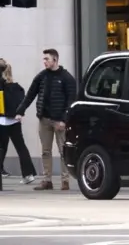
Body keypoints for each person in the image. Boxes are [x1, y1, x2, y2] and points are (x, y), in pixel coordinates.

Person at [15, 49, 77, 190]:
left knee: (63, 151)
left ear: (55, 60)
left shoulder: (67, 78)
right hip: (44, 119)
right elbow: (30, 94)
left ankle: (65, 180)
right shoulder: (42, 77)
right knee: (46, 151)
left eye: (47, 59)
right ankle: (47, 180)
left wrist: (64, 119)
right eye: (44, 59)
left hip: (59, 120)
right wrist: (20, 110)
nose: (44, 62)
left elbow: (70, 101)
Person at [0, 59, 37, 183]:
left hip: (2, 121)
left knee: (2, 148)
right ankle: (28, 174)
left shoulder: (3, 87)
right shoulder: (17, 87)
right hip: (15, 121)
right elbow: (21, 102)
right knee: (21, 147)